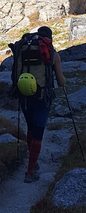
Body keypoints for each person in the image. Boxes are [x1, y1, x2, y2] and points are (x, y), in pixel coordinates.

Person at [20, 26, 66, 183]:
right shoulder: (53, 54)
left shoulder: (24, 49)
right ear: (50, 39)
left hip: (24, 96)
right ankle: (30, 171)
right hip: (42, 98)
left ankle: (34, 164)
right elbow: (60, 82)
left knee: (30, 129)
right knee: (38, 133)